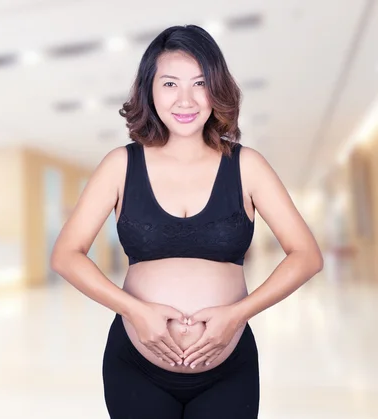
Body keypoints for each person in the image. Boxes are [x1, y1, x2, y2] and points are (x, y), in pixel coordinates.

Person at [50, 25, 323, 419]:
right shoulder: (120, 165)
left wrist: (237, 314)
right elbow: (66, 255)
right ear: (150, 90)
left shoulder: (246, 165)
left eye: (199, 83)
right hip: (135, 368)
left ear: (217, 88)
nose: (186, 99)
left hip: (229, 372)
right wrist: (134, 310)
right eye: (170, 84)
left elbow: (306, 256)